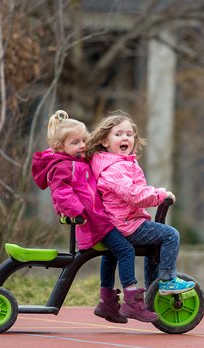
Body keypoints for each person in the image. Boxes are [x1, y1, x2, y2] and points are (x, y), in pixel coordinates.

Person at [31, 110, 157, 323]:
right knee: (125, 251)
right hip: (92, 222)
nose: (82, 146)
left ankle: (106, 301)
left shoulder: (79, 161)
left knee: (111, 253)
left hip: (99, 220)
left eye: (84, 140)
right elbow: (61, 192)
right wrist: (77, 212)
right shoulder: (63, 166)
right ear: (61, 147)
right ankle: (131, 299)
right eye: (75, 142)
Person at [86, 110, 195, 295]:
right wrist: (161, 194)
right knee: (170, 235)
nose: (125, 138)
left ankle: (153, 286)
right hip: (126, 224)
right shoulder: (113, 168)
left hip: (126, 221)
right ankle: (167, 280)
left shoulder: (123, 163)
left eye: (129, 134)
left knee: (155, 242)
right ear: (105, 141)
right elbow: (133, 195)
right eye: (118, 134)